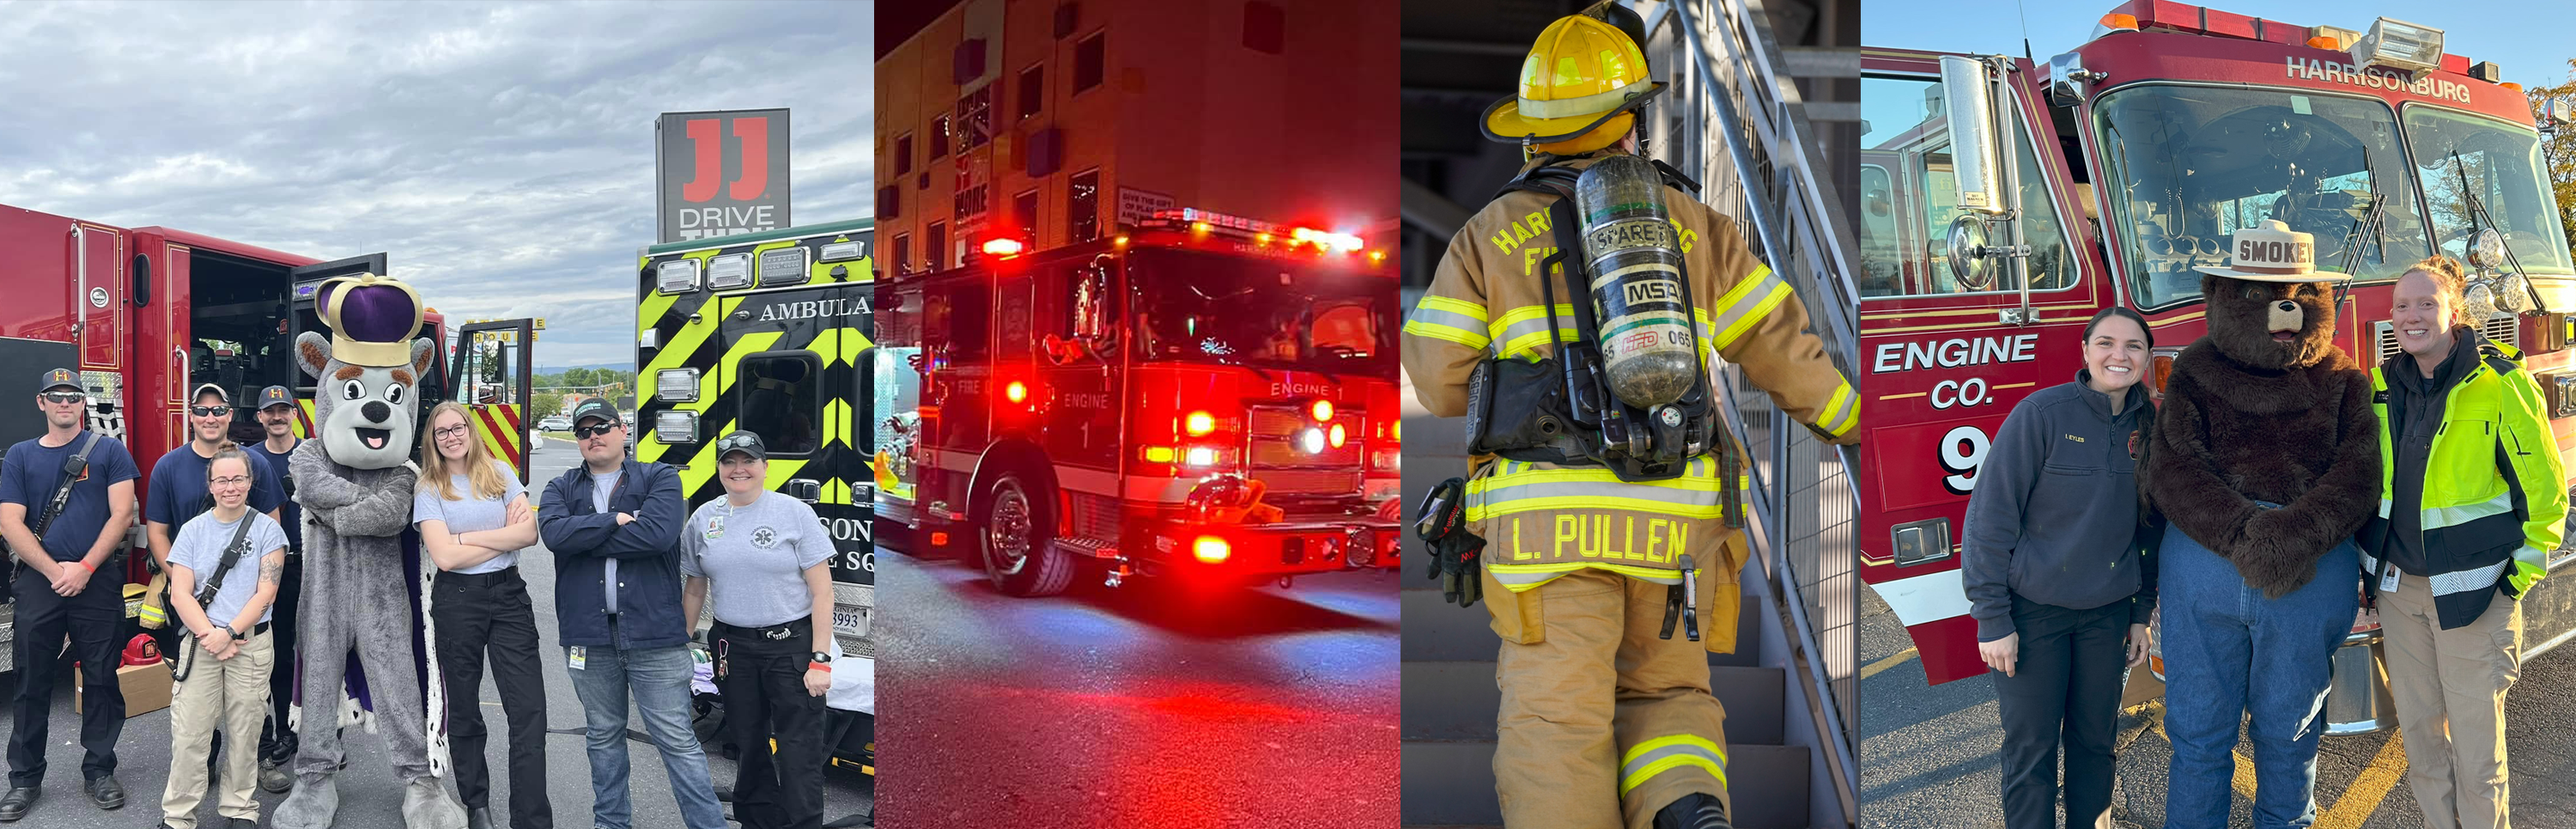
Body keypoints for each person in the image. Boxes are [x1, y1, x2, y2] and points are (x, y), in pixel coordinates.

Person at [1398, 12, 1859, 829]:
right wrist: (1859, 429)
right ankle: (1690, 811)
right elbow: (1784, 353)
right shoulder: (1696, 226)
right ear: (1629, 120)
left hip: (1546, 535)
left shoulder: (1487, 235)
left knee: (1556, 720)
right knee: (1672, 692)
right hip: (1675, 527)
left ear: (1534, 133)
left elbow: (1436, 385)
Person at [2365, 255, 2564, 829]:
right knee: (2423, 749)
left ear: (2455, 311)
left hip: (2477, 602)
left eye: (2427, 303)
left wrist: (2512, 584)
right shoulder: (2381, 387)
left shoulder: (2502, 386)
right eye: (2403, 305)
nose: (2412, 315)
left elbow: (2547, 499)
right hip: (2401, 598)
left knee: (2479, 759)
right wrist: (2368, 574)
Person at [1960, 308, 2160, 829]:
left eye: (2134, 346)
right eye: (2107, 343)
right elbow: (1990, 517)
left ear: (2147, 357)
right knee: (2032, 751)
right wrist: (1993, 619)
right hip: (2032, 617)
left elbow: (2150, 530)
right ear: (2085, 351)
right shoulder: (2041, 415)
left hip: (2108, 616)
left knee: (2096, 744)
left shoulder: (2152, 427)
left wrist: (2141, 612)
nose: (2120, 355)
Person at [538, 399, 721, 829]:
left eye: (601, 426)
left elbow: (657, 536)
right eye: (583, 431)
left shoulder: (660, 477)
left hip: (655, 635)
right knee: (603, 738)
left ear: (623, 430)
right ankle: (612, 824)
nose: (593, 436)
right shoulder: (559, 487)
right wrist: (616, 521)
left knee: (676, 739)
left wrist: (583, 535)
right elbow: (552, 535)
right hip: (589, 637)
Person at [0, 369, 140, 821]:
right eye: (56, 396)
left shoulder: (111, 452)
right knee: (30, 682)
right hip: (40, 582)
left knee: (101, 679)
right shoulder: (19, 456)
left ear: (83, 404)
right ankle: (24, 781)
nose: (65, 403)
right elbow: (9, 523)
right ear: (41, 403)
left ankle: (100, 770)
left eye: (73, 396)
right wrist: (53, 569)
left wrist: (83, 568)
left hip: (95, 581)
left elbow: (122, 516)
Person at [681, 431, 836, 829]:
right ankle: (757, 821)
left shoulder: (793, 514)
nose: (739, 470)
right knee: (748, 746)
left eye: (747, 461)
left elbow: (822, 593)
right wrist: (681, 641)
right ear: (718, 469)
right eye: (729, 462)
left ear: (765, 468)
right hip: (733, 648)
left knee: (798, 750)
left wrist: (820, 659)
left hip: (791, 648)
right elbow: (695, 586)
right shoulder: (704, 518)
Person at [415, 402, 550, 829]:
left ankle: (530, 818)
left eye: (458, 428)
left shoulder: (501, 472)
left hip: (509, 596)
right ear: (432, 441)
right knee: (466, 710)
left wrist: (467, 535)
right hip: (458, 601)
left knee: (528, 710)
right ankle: (478, 806)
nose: (451, 436)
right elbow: (445, 557)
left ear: (471, 431)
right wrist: (502, 539)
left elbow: (529, 533)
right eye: (442, 432)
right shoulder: (428, 487)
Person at [156, 446, 289, 829]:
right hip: (202, 643)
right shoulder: (192, 531)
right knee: (190, 733)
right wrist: (212, 634)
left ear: (250, 483)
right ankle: (178, 816)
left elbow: (267, 593)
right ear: (210, 485)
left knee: (246, 733)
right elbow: (179, 591)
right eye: (222, 480)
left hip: (250, 642)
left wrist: (230, 631)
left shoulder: (268, 530)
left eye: (238, 479)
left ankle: (240, 809)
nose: (230, 487)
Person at [147, 384, 286, 661]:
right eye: (201, 410)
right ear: (190, 415)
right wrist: (185, 583)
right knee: (196, 697)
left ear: (230, 414)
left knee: (250, 697)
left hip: (247, 608)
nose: (210, 418)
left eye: (219, 410)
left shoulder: (256, 464)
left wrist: (253, 601)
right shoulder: (167, 467)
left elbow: (272, 528)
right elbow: (157, 535)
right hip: (193, 606)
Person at [243, 386, 311, 795]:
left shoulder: (315, 454)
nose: (277, 416)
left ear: (294, 414)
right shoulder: (250, 459)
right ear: (261, 417)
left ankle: (324, 732)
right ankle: (286, 731)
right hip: (273, 571)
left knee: (320, 651)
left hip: (315, 563)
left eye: (283, 409)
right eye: (270, 411)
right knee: (282, 653)